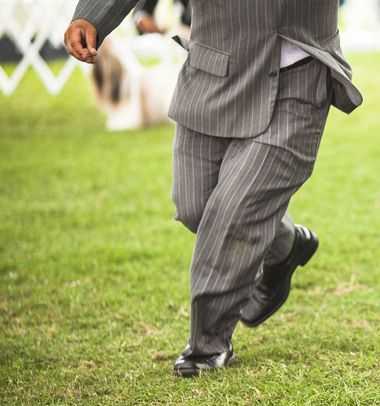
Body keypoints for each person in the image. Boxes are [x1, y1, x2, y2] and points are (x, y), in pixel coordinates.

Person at [64, 1, 363, 377]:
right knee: (195, 207)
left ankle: (207, 344)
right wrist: (91, 15)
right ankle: (286, 244)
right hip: (212, 72)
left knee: (233, 215)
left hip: (296, 79)